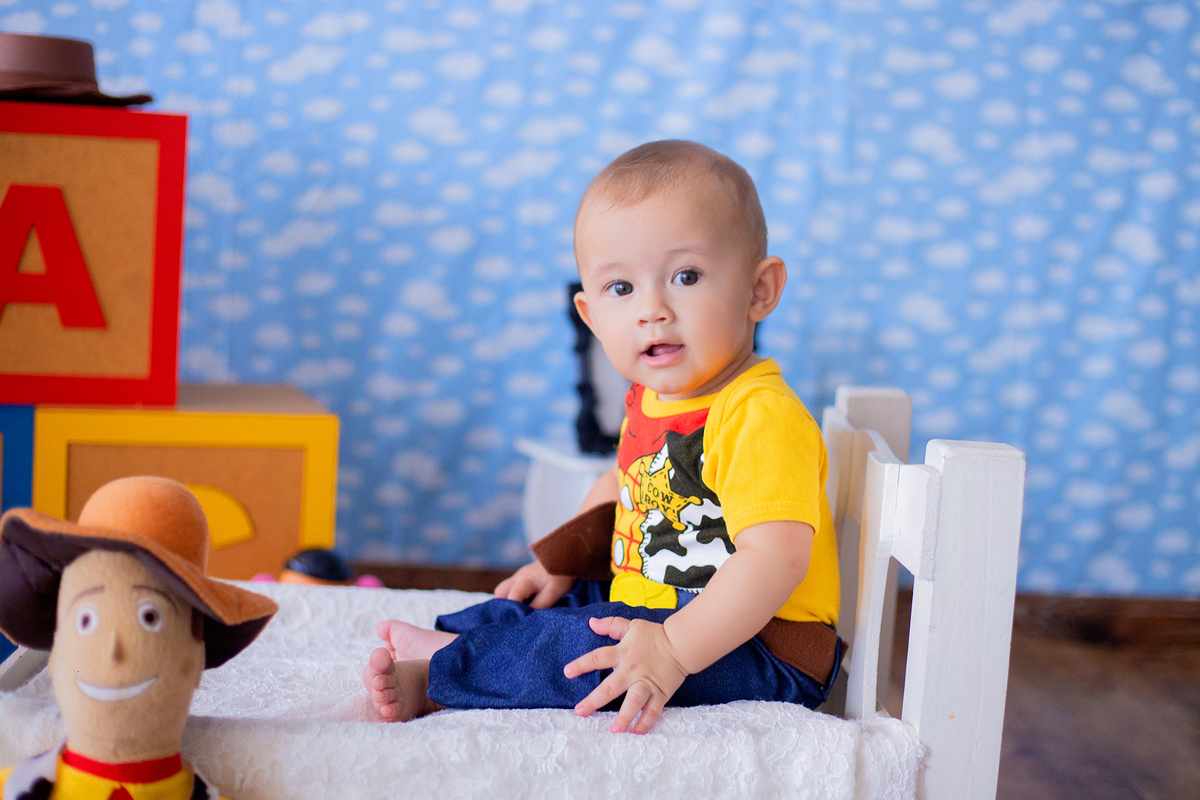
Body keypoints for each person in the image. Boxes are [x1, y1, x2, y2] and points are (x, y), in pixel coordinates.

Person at [363, 140, 841, 734]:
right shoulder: (654, 399)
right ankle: (471, 640)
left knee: (589, 652)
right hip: (663, 605)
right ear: (590, 316)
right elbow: (622, 482)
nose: (652, 309)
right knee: (554, 604)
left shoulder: (758, 415)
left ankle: (444, 678)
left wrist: (672, 650)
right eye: (621, 289)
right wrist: (557, 566)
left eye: (686, 276)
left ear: (758, 290)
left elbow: (775, 558)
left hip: (759, 643)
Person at [0, 476, 278, 798]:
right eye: (86, 620)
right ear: (56, 651)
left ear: (195, 657)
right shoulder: (18, 787)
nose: (113, 651)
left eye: (150, 618)